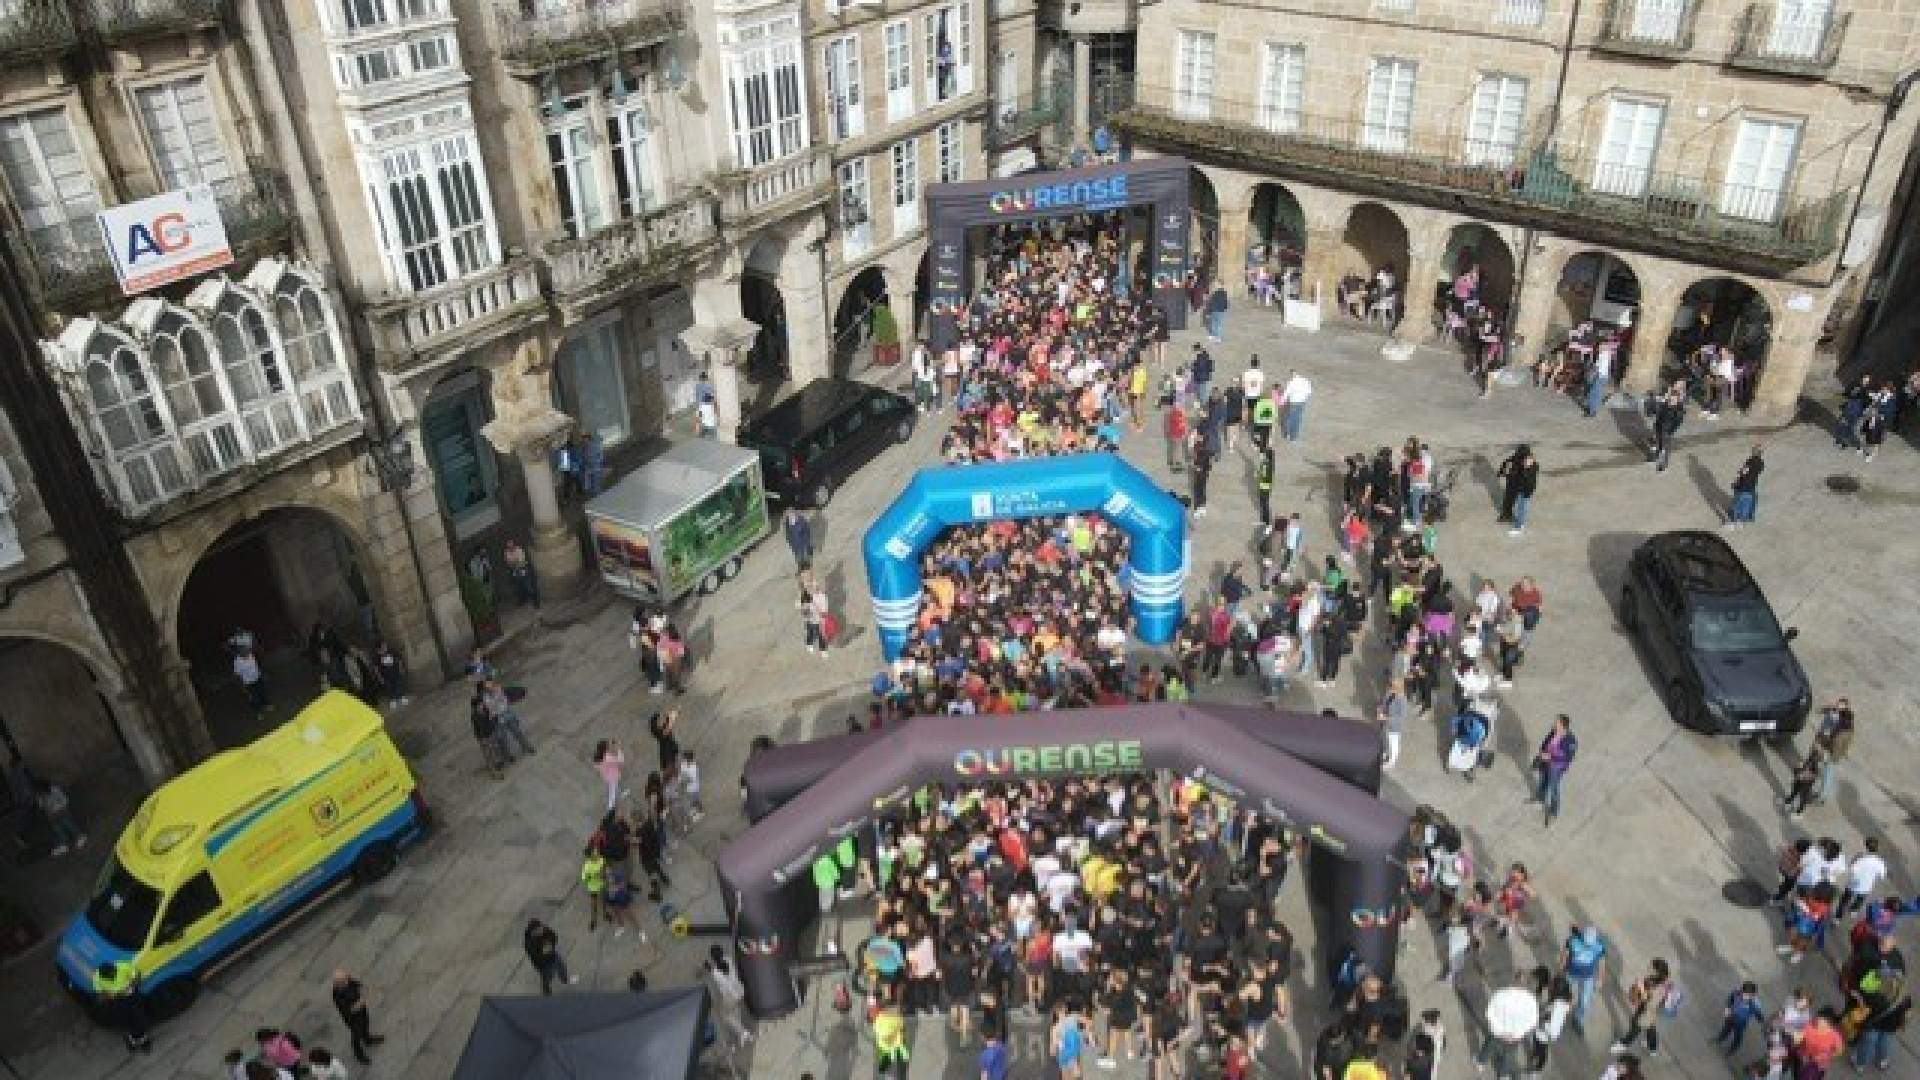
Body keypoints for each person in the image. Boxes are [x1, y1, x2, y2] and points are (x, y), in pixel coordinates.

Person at [93, 960, 151, 1054]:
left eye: (113, 974)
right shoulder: (97, 977)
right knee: (124, 1022)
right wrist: (108, 997)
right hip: (116, 1000)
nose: (112, 977)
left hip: (130, 996)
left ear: (114, 968)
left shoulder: (123, 966)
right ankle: (131, 1040)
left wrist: (132, 986)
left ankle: (144, 1040)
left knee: (138, 1018)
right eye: (109, 977)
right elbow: (100, 994)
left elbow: (137, 975)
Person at [1562, 924, 1608, 1033]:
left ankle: (1578, 1020)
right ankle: (1561, 1013)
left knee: (1585, 1002)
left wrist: (1601, 978)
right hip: (1571, 974)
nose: (1588, 946)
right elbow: (1565, 956)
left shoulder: (1599, 946)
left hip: (1588, 977)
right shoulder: (1573, 941)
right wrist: (1561, 970)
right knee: (1567, 997)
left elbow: (1602, 963)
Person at [1532, 714, 1577, 826]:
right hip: (1545, 761)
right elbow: (1546, 741)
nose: (1554, 724)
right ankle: (1540, 797)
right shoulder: (1554, 732)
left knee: (1554, 789)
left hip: (1556, 767)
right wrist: (1542, 752)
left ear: (1563, 725)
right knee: (1543, 780)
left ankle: (1553, 812)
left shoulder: (1571, 741)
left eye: (1557, 722)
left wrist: (1551, 757)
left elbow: (1567, 758)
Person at [330, 970, 383, 1064]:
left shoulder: (348, 980)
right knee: (356, 1036)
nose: (348, 980)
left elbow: (357, 984)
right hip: (352, 1018)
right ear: (339, 983)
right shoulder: (337, 995)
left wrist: (367, 988)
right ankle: (359, 1054)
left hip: (362, 1011)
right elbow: (350, 1010)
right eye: (345, 979)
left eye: (347, 977)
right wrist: (363, 1001)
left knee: (365, 1024)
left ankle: (368, 1039)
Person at [524, 919, 576, 995]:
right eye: (539, 930)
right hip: (544, 964)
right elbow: (535, 957)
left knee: (562, 968)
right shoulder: (529, 942)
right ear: (533, 932)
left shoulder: (545, 930)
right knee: (547, 977)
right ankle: (546, 990)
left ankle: (565, 979)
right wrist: (544, 951)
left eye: (541, 928)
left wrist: (550, 942)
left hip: (554, 956)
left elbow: (554, 937)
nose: (541, 930)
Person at [1714, 980, 1765, 1055]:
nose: (1744, 996)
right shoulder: (1737, 991)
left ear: (1753, 995)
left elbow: (1759, 1015)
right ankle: (1720, 1039)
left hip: (1741, 1022)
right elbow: (1730, 998)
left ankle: (1732, 1049)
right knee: (1726, 1029)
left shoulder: (1755, 1004)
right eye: (1744, 993)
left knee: (1738, 1035)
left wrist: (1762, 1023)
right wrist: (1728, 1008)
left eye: (1748, 995)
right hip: (1731, 1015)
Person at [1495, 444, 1538, 534]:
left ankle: (1520, 525)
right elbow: (1507, 461)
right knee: (1509, 497)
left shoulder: (1532, 464)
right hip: (1514, 481)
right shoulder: (1518, 457)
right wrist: (1502, 471)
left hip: (1523, 486)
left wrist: (1526, 467)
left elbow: (1528, 479)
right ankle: (1507, 514)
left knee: (1522, 505)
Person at [38, 778, 85, 855]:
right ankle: (63, 843)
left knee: (66, 822)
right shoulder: (40, 797)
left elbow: (64, 800)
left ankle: (79, 836)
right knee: (56, 827)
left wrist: (59, 810)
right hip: (52, 814)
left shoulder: (54, 790)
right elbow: (43, 807)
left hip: (61, 810)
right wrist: (50, 814)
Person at [1648, 381, 1687, 471]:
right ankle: (1655, 457)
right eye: (1671, 399)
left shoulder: (1679, 409)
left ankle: (1663, 464)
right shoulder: (1664, 404)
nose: (1672, 400)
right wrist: (1652, 400)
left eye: (1674, 399)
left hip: (1667, 430)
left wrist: (1670, 431)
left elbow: (1678, 422)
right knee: (1658, 443)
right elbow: (1654, 412)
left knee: (1665, 447)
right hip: (1659, 427)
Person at [1728, 444, 1764, 527]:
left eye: (1753, 450)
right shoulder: (1761, 463)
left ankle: (1733, 517)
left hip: (1744, 483)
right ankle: (1751, 516)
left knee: (1737, 499)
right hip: (1753, 483)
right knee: (1754, 498)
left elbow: (1743, 472)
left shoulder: (1750, 461)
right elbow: (1758, 471)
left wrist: (1738, 479)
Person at [503, 539, 539, 608]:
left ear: (514, 544)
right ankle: (523, 600)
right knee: (519, 586)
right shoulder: (506, 552)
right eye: (508, 546)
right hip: (515, 571)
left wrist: (513, 562)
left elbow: (520, 561)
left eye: (511, 545)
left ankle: (535, 600)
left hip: (523, 569)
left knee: (528, 585)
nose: (510, 547)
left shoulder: (519, 550)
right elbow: (508, 562)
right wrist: (514, 561)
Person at [1280, 370, 1313, 443]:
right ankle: (1293, 437)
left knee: (1289, 419)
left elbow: (1286, 394)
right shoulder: (1305, 381)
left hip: (1293, 402)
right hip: (1302, 403)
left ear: (1292, 375)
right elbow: (1309, 392)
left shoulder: (1292, 382)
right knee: (1298, 420)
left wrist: (1281, 403)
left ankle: (1287, 433)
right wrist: (1304, 398)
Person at [782, 506, 814, 573]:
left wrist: (808, 540)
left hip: (801, 543)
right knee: (799, 556)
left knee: (804, 554)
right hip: (796, 544)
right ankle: (803, 567)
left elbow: (807, 531)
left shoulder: (801, 520)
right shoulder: (788, 525)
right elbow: (788, 536)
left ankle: (806, 566)